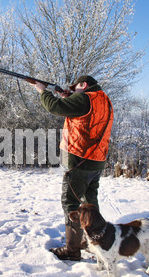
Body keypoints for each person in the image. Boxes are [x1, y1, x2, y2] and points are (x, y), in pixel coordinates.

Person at [30, 76, 114, 261]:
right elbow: (85, 117)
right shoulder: (104, 99)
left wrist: (43, 91)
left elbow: (55, 107)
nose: (74, 91)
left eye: (75, 88)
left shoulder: (85, 99)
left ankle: (72, 249)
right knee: (90, 203)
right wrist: (66, 95)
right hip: (96, 161)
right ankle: (93, 240)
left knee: (71, 204)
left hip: (78, 162)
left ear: (83, 85)